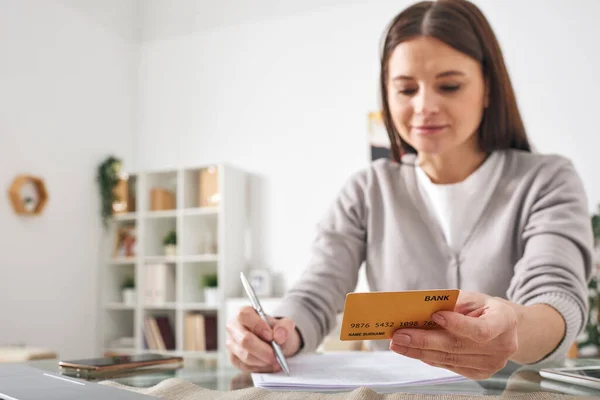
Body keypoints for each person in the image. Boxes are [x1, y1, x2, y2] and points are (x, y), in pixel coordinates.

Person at [226, 0, 593, 380]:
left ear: (488, 88)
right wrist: (281, 333)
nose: (424, 106)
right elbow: (317, 290)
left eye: (449, 85)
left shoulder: (547, 180)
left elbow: (556, 296)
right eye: (405, 89)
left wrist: (513, 329)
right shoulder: (367, 189)